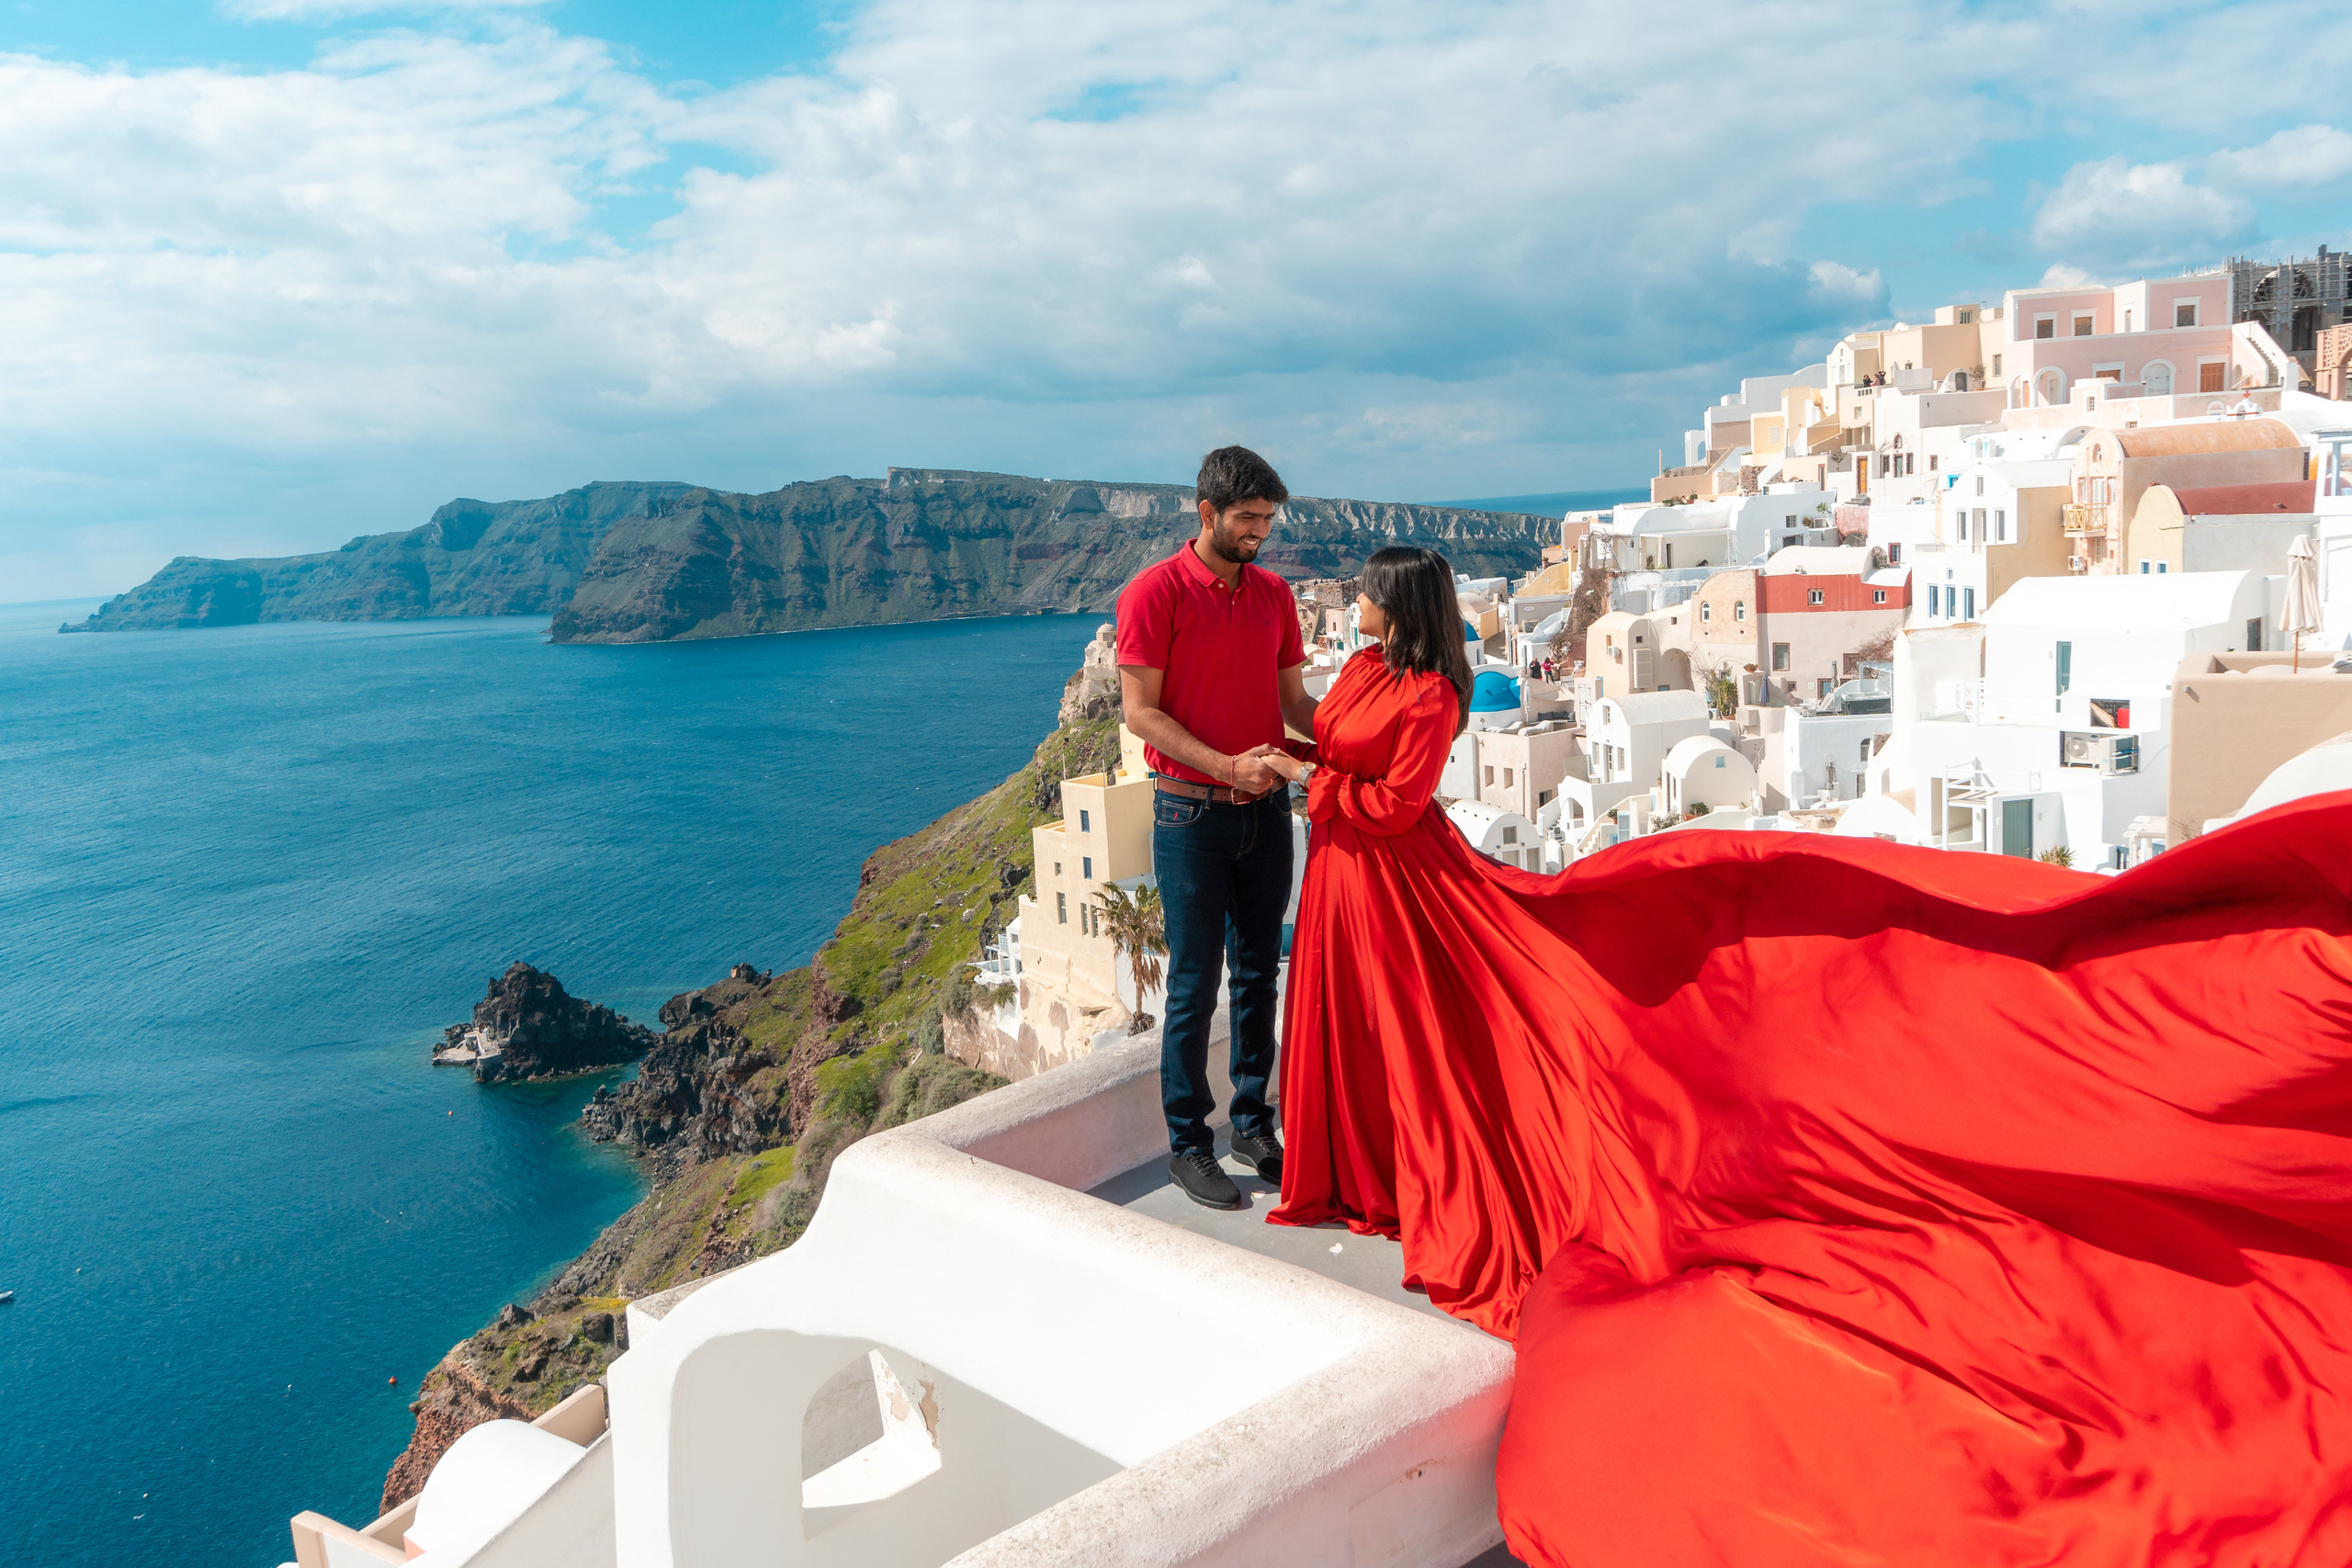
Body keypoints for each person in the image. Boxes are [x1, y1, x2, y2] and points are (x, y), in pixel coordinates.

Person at [1253, 544, 2352, 1564]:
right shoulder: (1361, 670)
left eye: (1368, 592)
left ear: (1400, 603)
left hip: (1400, 878)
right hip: (1348, 876)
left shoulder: (1431, 694)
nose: (1356, 602)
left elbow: (1396, 803)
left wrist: (1313, 783)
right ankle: (1363, 1168)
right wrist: (1291, 738)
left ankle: (1411, 1169)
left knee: (1419, 1029)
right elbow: (1331, 739)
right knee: (1359, 1026)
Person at [1114, 446, 1317, 1211]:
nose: (1261, 531)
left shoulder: (1274, 595)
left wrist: (1371, 737)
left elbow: (1295, 705)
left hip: (1266, 812)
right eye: (1248, 518)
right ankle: (1188, 1145)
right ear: (1208, 512)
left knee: (1260, 974)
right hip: (1188, 814)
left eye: (1268, 519)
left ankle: (1252, 1126)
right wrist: (1226, 766)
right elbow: (1141, 713)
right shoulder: (1153, 593)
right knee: (1195, 985)